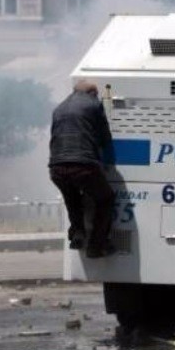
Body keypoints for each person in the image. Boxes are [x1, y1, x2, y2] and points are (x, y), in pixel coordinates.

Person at [49, 80, 116, 258]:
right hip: (83, 165)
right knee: (106, 199)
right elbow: (105, 136)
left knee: (73, 199)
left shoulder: (59, 108)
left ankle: (78, 232)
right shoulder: (93, 104)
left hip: (56, 167)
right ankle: (96, 246)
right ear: (93, 92)